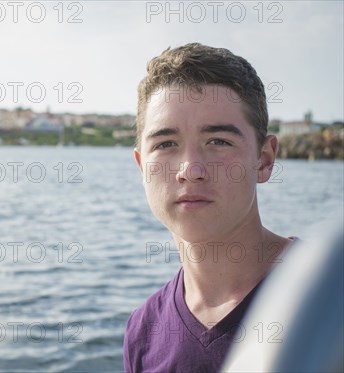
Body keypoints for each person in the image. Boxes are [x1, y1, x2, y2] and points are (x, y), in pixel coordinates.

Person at [123, 43, 295, 372]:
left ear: (264, 160)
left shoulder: (330, 297)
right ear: (141, 165)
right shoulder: (142, 332)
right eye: (166, 144)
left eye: (218, 141)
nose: (191, 169)